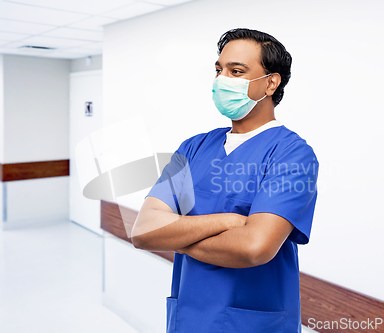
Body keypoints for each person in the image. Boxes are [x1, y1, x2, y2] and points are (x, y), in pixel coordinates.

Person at [131, 28, 319, 333]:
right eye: (219, 70)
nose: (222, 79)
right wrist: (230, 221)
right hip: (190, 316)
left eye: (236, 71)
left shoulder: (292, 154)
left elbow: (254, 248)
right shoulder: (193, 147)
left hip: (252, 321)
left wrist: (178, 235)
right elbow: (144, 231)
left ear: (271, 82)